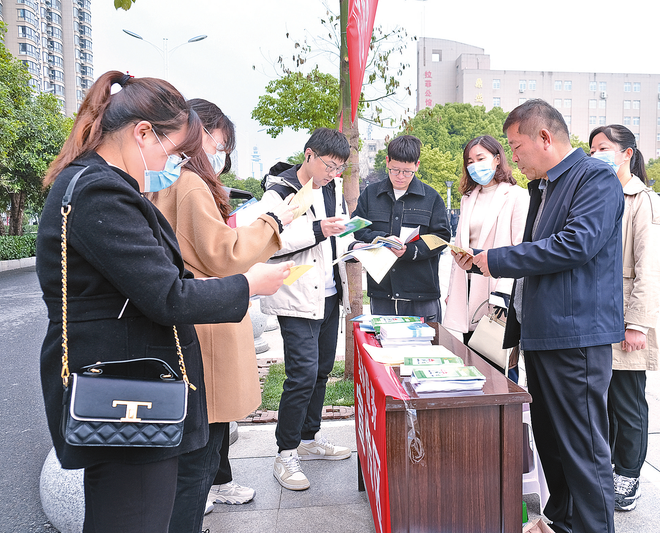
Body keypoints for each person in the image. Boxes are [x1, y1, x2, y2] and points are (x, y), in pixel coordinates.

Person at [36, 71, 293, 532]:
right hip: (125, 390)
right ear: (142, 133)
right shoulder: (100, 191)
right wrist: (248, 285)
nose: (172, 164)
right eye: (172, 152)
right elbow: (168, 295)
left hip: (128, 383)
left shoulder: (98, 185)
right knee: (136, 515)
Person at [469, 99, 624, 533]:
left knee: (583, 449)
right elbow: (538, 254)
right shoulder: (545, 187)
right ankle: (563, 522)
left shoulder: (594, 177)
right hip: (543, 332)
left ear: (544, 137)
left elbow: (576, 244)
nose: (512, 157)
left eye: (516, 147)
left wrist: (498, 259)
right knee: (553, 445)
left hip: (576, 335)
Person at [149, 99, 295, 530]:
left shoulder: (164, 181)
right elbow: (223, 253)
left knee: (195, 449)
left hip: (189, 317)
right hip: (207, 321)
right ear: (198, 133)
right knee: (202, 453)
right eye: (219, 143)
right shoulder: (191, 183)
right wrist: (272, 222)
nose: (221, 154)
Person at [260, 128, 353, 491]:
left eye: (339, 168)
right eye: (329, 165)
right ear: (309, 155)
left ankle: (309, 438)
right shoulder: (280, 191)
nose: (333, 173)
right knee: (301, 375)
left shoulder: (332, 189)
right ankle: (285, 453)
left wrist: (359, 243)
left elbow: (339, 236)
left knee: (321, 372)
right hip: (296, 295)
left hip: (329, 294)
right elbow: (269, 242)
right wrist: (318, 229)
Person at [589, 125, 660, 512]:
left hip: (624, 316)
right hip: (595, 314)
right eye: (592, 149)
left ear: (627, 153)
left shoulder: (643, 201)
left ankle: (628, 474)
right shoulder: (597, 193)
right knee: (600, 401)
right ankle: (606, 469)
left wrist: (637, 324)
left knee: (627, 401)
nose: (596, 155)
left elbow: (649, 269)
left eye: (603, 148)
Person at [442, 135, 528, 376]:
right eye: (470, 161)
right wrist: (452, 291)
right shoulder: (468, 198)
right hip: (468, 287)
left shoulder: (516, 196)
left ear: (497, 159)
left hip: (498, 292)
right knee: (472, 364)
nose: (474, 165)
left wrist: (505, 294)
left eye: (480, 158)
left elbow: (521, 248)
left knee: (499, 364)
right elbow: (462, 244)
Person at [350, 135, 451, 321]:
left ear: (417, 165)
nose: (400, 176)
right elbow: (357, 228)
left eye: (407, 172)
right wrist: (381, 239)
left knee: (426, 340)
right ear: (387, 161)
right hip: (382, 293)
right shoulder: (370, 194)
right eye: (395, 170)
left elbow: (441, 237)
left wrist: (410, 250)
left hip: (421, 294)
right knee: (383, 340)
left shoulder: (431, 198)